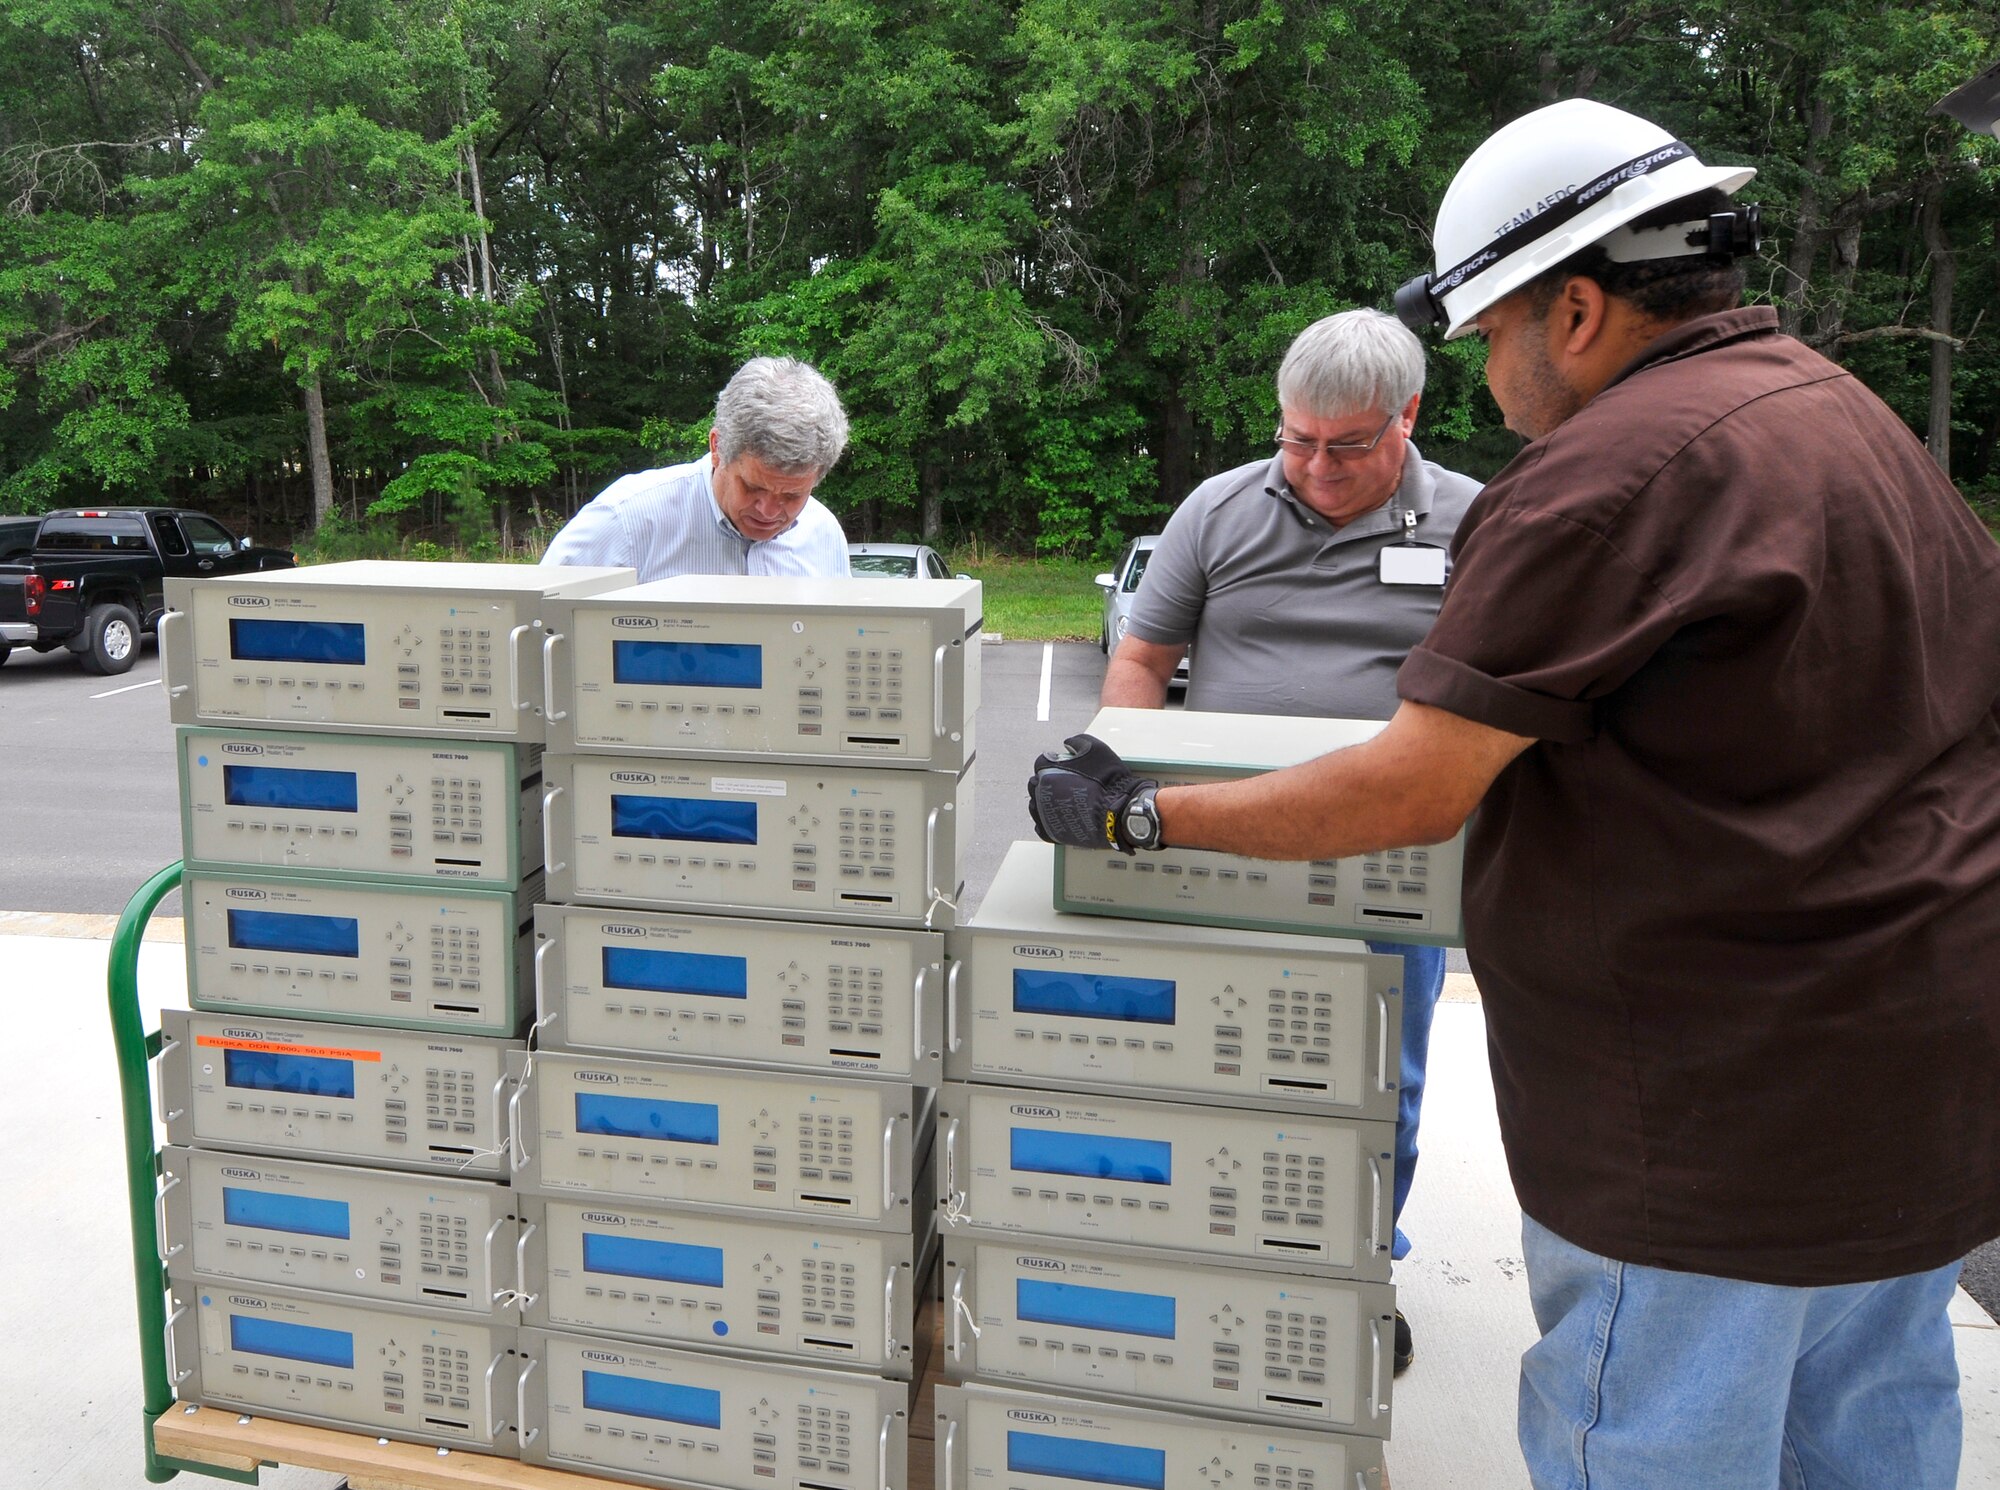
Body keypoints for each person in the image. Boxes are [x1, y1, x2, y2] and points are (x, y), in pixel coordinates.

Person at [1031, 96, 2000, 1489]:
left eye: (1488, 332)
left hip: (1716, 1119)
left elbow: (1418, 786)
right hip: (1914, 1080)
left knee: (1661, 1441)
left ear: (1584, 310)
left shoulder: (1604, 476)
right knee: (1864, 1438)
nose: (1490, 369)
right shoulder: (1847, 420)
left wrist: (1143, 815)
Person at [1100, 307, 1481, 1374]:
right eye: (1294, 437)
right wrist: (1124, 780)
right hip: (1225, 839)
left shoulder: (1473, 520)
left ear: (1406, 416)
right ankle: (1209, 1257)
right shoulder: (1218, 509)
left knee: (1377, 1082)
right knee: (1207, 1060)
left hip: (1387, 852)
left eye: (1346, 444)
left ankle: (1359, 1264)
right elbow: (1142, 661)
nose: (1314, 464)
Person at [542, 356, 851, 581]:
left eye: (792, 496)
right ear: (717, 448)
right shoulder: (626, 522)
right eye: (753, 487)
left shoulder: (823, 535)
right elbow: (540, 625)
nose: (769, 511)